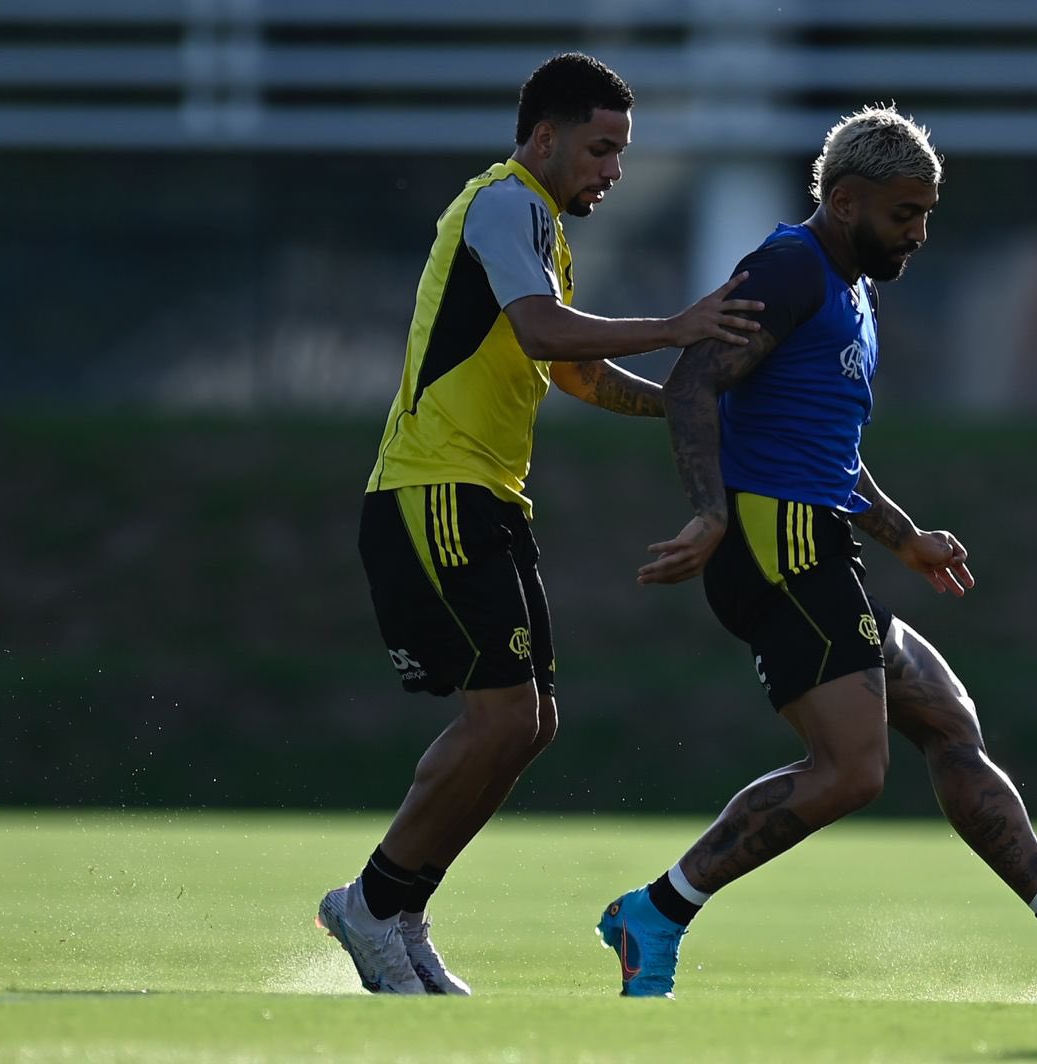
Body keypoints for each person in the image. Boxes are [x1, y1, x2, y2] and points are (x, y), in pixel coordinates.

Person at [596, 106, 1037, 997]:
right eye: (904, 214)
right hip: (776, 547)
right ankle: (657, 910)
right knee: (851, 770)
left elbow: (829, 451)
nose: (920, 233)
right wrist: (708, 513)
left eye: (927, 213)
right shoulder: (789, 268)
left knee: (949, 722)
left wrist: (905, 536)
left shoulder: (855, 288)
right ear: (845, 200)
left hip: (820, 546)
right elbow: (695, 379)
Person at [315, 52, 764, 995]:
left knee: (529, 723)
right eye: (601, 148)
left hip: (487, 497)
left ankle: (396, 906)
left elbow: (575, 371)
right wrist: (681, 327)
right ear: (545, 136)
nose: (613, 169)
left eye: (622, 152)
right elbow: (544, 332)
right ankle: (371, 902)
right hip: (435, 487)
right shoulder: (505, 201)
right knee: (505, 716)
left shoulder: (543, 229)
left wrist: (685, 411)